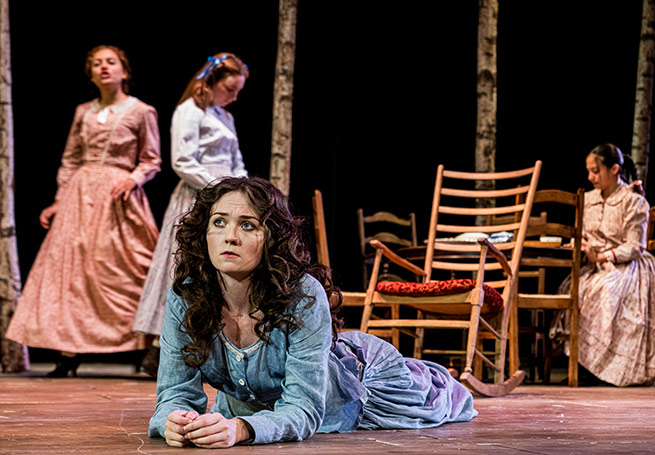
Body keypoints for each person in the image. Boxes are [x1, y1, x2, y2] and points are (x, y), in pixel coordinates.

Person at [148, 176, 477, 448]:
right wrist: (172, 423)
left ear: (270, 238)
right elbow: (175, 396)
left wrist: (243, 429)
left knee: (437, 396)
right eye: (219, 222)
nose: (230, 237)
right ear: (204, 233)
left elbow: (303, 409)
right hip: (259, 406)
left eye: (248, 225)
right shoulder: (187, 295)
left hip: (358, 385)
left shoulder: (303, 295)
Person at [6, 45, 161, 376]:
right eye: (96, 63)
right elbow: (71, 159)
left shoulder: (141, 111)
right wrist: (59, 200)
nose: (103, 67)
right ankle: (68, 353)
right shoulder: (83, 111)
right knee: (71, 272)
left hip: (119, 198)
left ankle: (142, 346)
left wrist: (133, 178)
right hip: (80, 196)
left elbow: (151, 159)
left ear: (124, 70)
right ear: (90, 73)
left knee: (122, 269)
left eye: (110, 62)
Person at [132, 53, 249, 376]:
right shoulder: (189, 111)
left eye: (237, 91)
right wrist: (217, 188)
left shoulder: (225, 117)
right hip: (198, 196)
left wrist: (242, 189)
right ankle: (160, 348)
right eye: (229, 88)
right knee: (184, 264)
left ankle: (210, 342)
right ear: (210, 82)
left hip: (226, 196)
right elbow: (182, 161)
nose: (234, 96)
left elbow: (236, 159)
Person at [570, 143, 655, 388]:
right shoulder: (587, 200)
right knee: (573, 290)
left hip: (628, 266)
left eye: (596, 171)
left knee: (606, 292)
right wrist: (582, 246)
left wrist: (603, 256)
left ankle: (610, 370)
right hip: (593, 265)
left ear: (614, 168)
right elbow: (581, 234)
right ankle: (583, 366)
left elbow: (634, 246)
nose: (590, 177)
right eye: (589, 171)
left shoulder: (633, 201)